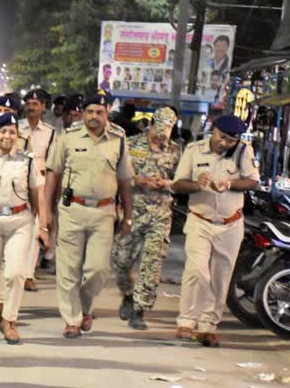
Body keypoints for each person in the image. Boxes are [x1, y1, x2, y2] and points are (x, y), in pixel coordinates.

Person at [43, 94, 134, 338]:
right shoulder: (68, 138)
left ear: (107, 113)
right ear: (83, 114)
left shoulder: (119, 140)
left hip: (105, 212)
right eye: (89, 112)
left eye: (99, 112)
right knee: (68, 269)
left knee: (98, 269)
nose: (94, 116)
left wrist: (128, 215)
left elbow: (125, 180)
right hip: (72, 209)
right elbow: (52, 175)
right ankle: (72, 320)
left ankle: (85, 307)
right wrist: (46, 214)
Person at [171, 115, 259, 347]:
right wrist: (196, 185)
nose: (225, 143)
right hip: (200, 220)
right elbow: (178, 184)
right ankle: (186, 322)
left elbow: (253, 181)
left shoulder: (242, 151)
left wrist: (229, 184)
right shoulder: (194, 150)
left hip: (230, 224)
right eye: (222, 137)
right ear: (213, 130)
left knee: (220, 277)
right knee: (197, 271)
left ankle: (208, 326)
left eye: (231, 140)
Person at [0, 113, 44, 344]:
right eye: (3, 131)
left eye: (12, 132)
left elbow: (37, 194)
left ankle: (9, 321)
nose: (7, 136)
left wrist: (39, 224)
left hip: (19, 221)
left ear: (18, 136)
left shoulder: (27, 160)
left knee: (15, 273)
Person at [111, 107, 181, 330]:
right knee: (121, 261)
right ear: (150, 124)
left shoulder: (176, 151)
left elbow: (181, 180)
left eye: (166, 132)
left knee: (152, 263)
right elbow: (114, 176)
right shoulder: (130, 145)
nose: (162, 137)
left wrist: (166, 184)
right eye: (159, 131)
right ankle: (128, 295)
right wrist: (136, 181)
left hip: (160, 215)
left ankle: (140, 310)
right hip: (132, 212)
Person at [18, 89, 56, 292]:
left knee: (35, 229)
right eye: (29, 103)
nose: (31, 107)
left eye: (35, 104)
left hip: (39, 182)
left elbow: (52, 166)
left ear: (43, 107)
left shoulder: (50, 133)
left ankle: (29, 274)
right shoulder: (15, 127)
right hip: (17, 182)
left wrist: (49, 198)